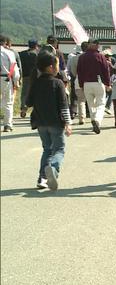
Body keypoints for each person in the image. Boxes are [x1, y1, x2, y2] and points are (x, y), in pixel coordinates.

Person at [25, 50, 73, 191]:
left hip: (40, 123)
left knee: (47, 149)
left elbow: (28, 102)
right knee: (59, 149)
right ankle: (53, 168)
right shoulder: (58, 83)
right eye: (57, 64)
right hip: (56, 123)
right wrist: (68, 123)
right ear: (51, 67)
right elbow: (64, 106)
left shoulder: (36, 83)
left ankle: (42, 178)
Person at [77, 38, 111, 134]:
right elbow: (106, 71)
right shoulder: (100, 56)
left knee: (91, 104)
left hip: (86, 83)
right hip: (98, 82)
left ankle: (93, 119)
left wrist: (81, 84)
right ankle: (97, 120)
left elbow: (79, 72)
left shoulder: (82, 57)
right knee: (101, 103)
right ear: (97, 45)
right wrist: (108, 84)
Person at [0, 34, 21, 132]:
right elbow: (14, 69)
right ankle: (7, 125)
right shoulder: (9, 53)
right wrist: (16, 81)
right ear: (4, 42)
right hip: (6, 78)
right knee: (8, 102)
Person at [67, 41, 89, 124]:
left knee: (81, 100)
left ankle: (81, 118)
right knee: (91, 99)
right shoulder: (91, 57)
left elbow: (72, 71)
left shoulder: (74, 58)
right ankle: (93, 116)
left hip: (78, 79)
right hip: (90, 80)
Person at [19, 40, 39, 118]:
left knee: (25, 93)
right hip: (36, 76)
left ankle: (24, 109)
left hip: (25, 75)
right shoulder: (37, 54)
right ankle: (36, 109)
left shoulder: (22, 54)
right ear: (36, 46)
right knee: (36, 93)